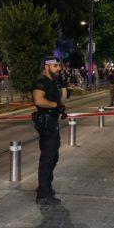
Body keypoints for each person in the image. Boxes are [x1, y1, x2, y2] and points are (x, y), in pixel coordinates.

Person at [32, 56, 68, 205]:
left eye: (59, 65)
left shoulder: (53, 82)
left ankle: (44, 186)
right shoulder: (41, 82)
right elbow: (39, 100)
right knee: (47, 157)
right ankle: (43, 194)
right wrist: (55, 106)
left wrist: (64, 85)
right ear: (46, 67)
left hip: (52, 122)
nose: (58, 68)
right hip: (45, 123)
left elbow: (62, 100)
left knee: (53, 156)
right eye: (55, 66)